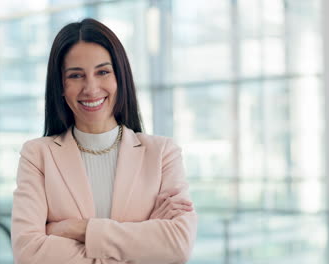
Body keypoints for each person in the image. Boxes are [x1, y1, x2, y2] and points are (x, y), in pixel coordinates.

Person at [11, 18, 197, 264]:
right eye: (76, 75)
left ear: (120, 77)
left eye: (103, 72)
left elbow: (178, 246)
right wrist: (143, 244)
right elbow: (29, 254)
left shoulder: (162, 153)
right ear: (61, 86)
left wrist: (79, 229)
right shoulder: (38, 156)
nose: (91, 87)